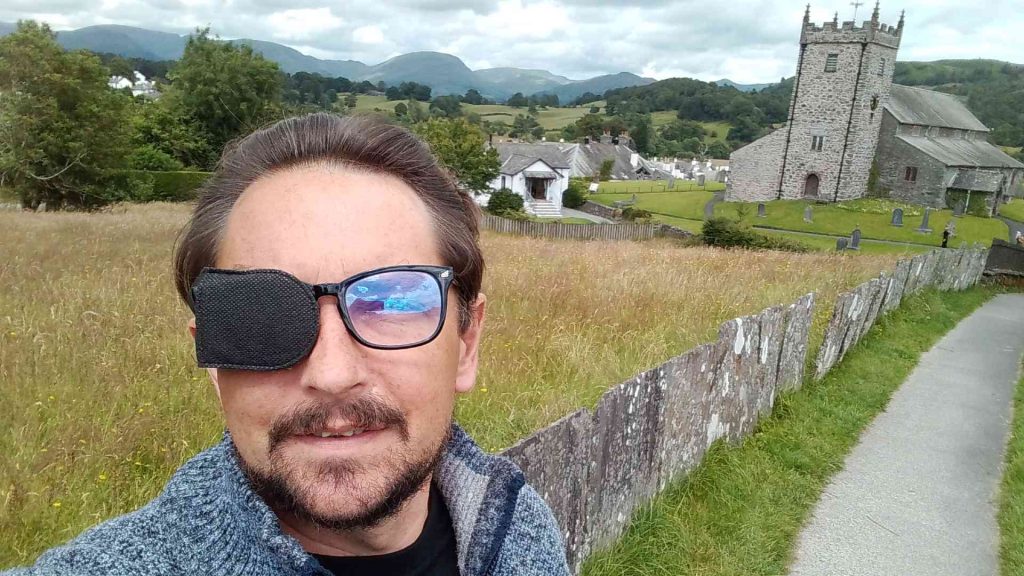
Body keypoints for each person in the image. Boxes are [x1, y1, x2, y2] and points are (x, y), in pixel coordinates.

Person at [4, 113, 570, 575]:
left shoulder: (516, 526)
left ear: (466, 342)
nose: (330, 373)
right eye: (261, 310)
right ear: (213, 359)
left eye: (392, 300)